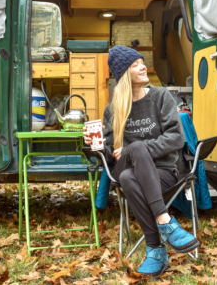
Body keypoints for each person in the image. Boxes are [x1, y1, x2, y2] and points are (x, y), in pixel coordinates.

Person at [83, 45, 199, 278]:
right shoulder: (113, 110)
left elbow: (176, 138)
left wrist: (139, 149)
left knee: (128, 173)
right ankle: (165, 222)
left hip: (165, 172)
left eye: (142, 62)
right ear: (125, 74)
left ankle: (156, 249)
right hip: (127, 165)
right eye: (135, 64)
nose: (143, 66)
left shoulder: (161, 97)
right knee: (130, 159)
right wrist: (92, 145)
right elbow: (106, 156)